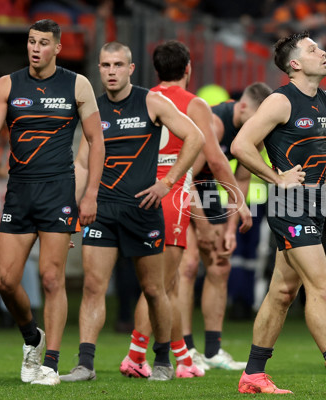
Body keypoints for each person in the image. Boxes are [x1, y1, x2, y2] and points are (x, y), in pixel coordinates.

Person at [231, 31, 326, 394]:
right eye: (313, 49)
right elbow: (240, 145)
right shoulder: (280, 102)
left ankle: (252, 374)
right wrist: (275, 177)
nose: (323, 52)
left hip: (316, 204)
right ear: (295, 64)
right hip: (288, 206)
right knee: (322, 286)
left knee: (283, 291)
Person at [59, 41, 205, 383]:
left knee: (155, 289)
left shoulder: (151, 101)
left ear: (130, 68)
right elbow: (82, 162)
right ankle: (85, 365)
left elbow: (195, 137)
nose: (111, 71)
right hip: (102, 210)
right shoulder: (93, 109)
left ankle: (163, 361)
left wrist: (168, 182)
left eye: (118, 65)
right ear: (99, 69)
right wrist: (69, 211)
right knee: (94, 286)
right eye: (105, 65)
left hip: (143, 210)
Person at [0, 19, 104, 386]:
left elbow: (97, 141)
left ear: (57, 48)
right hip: (19, 190)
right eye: (31, 41)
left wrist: (90, 191)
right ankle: (33, 337)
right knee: (4, 281)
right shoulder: (8, 84)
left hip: (58, 191)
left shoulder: (77, 84)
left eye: (43, 43)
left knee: (50, 277)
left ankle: (50, 362)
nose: (35, 48)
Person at [119, 39, 253, 376]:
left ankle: (183, 357)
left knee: (166, 281)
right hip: (172, 192)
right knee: (161, 283)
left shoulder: (144, 99)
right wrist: (238, 203)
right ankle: (137, 356)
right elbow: (217, 162)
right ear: (188, 69)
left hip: (138, 193)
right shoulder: (194, 105)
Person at [178, 81, 273, 368]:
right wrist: (204, 225)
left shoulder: (253, 134)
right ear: (242, 107)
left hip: (206, 186)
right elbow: (186, 178)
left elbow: (241, 181)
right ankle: (186, 349)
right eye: (258, 118)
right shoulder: (215, 124)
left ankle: (212, 350)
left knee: (220, 263)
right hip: (180, 183)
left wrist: (230, 229)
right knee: (189, 264)